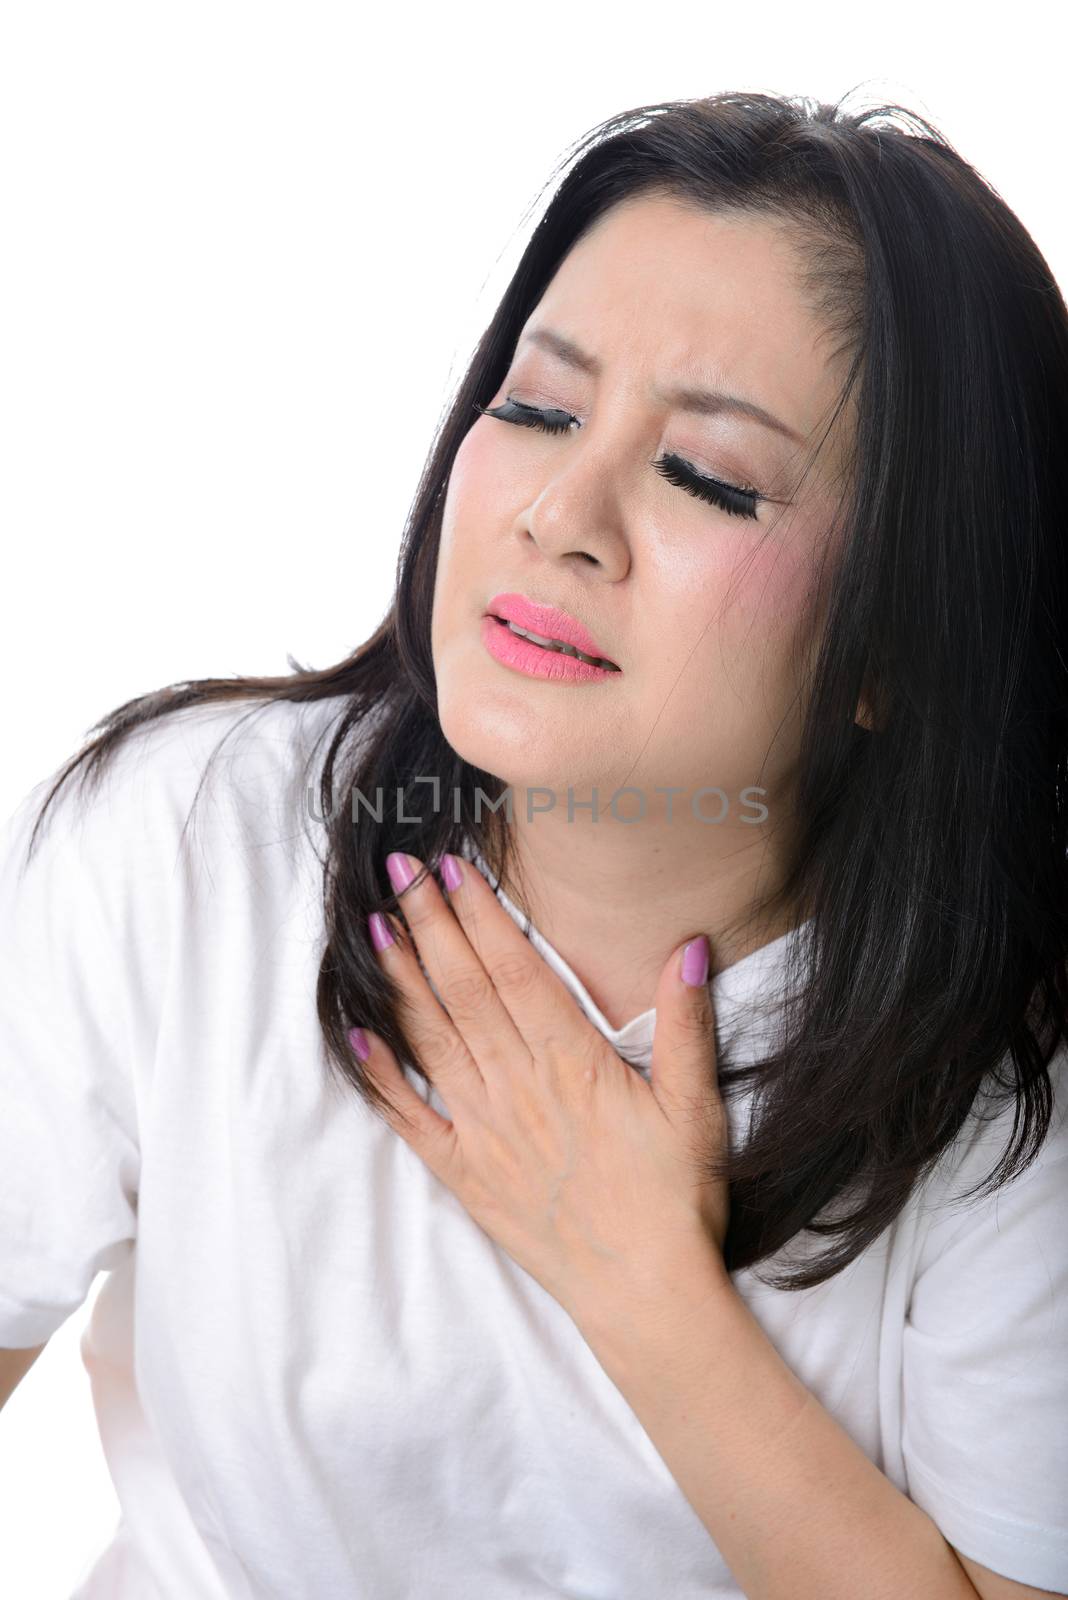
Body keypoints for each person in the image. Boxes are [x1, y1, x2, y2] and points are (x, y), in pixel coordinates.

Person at [1, 88, 1066, 1600]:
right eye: (540, 409)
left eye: (708, 476)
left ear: (908, 634)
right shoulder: (190, 843)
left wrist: (644, 1288)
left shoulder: (1008, 1099)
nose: (562, 514)